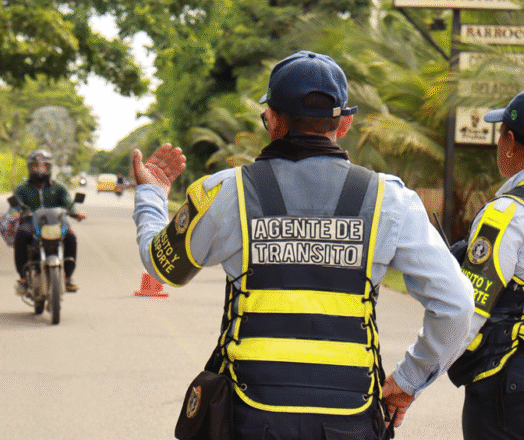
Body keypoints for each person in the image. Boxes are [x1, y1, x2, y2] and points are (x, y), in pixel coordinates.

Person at [131, 50, 475, 439]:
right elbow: (458, 306)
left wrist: (152, 196)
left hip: (249, 417)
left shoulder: (227, 192)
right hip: (353, 419)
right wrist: (408, 381)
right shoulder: (389, 200)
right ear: (344, 124)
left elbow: (163, 266)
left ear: (273, 120)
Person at [447, 91, 524, 440]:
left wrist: (411, 380)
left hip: (507, 388)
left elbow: (468, 310)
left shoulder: (506, 215)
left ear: (509, 142)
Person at [10, 149, 86, 292]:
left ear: (49, 168)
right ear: (30, 167)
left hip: (56, 222)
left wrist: (76, 213)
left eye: (43, 166)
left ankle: (67, 277)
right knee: (20, 234)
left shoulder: (59, 188)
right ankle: (23, 278)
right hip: (31, 223)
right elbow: (14, 206)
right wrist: (14, 213)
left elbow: (69, 203)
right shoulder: (22, 188)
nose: (39, 169)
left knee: (70, 236)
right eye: (35, 166)